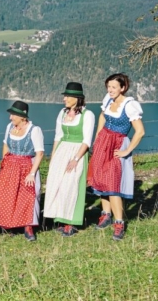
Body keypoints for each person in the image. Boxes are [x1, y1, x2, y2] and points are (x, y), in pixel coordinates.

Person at [89, 73, 145, 241]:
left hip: (117, 145)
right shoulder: (108, 100)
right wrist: (98, 137)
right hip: (103, 142)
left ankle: (119, 223)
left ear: (123, 88)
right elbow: (102, 116)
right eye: (109, 86)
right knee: (101, 181)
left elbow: (140, 131)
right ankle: (106, 215)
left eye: (114, 87)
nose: (110, 90)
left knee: (113, 184)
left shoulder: (129, 105)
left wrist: (126, 151)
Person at [43, 83, 95, 237]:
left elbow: (87, 141)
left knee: (71, 185)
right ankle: (60, 218)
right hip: (62, 151)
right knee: (57, 184)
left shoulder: (87, 115)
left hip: (77, 151)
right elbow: (58, 136)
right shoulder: (62, 113)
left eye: (67, 96)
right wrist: (53, 157)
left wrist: (76, 159)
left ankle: (72, 222)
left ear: (76, 98)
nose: (64, 98)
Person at [0, 100, 44, 241]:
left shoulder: (34, 130)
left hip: (27, 166)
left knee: (28, 196)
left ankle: (28, 226)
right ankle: (9, 225)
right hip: (10, 166)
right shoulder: (10, 127)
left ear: (23, 116)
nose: (10, 117)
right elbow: (6, 145)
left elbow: (39, 153)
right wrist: (4, 162)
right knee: (9, 195)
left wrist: (32, 173)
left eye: (13, 115)